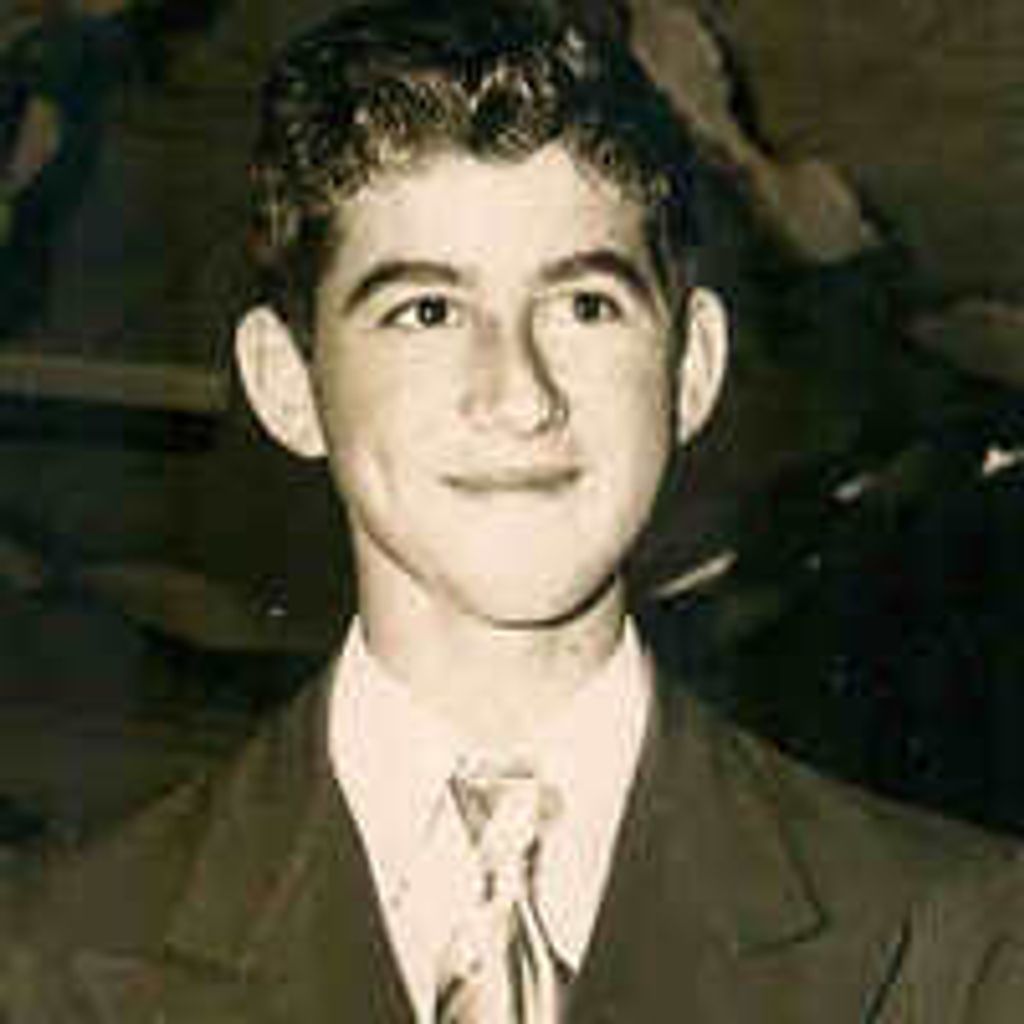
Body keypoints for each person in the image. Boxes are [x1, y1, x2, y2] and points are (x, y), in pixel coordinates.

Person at [0, 2, 1016, 1020]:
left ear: (691, 369)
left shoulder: (966, 942)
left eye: (584, 305)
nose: (519, 393)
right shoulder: (45, 962)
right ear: (287, 384)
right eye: (426, 311)